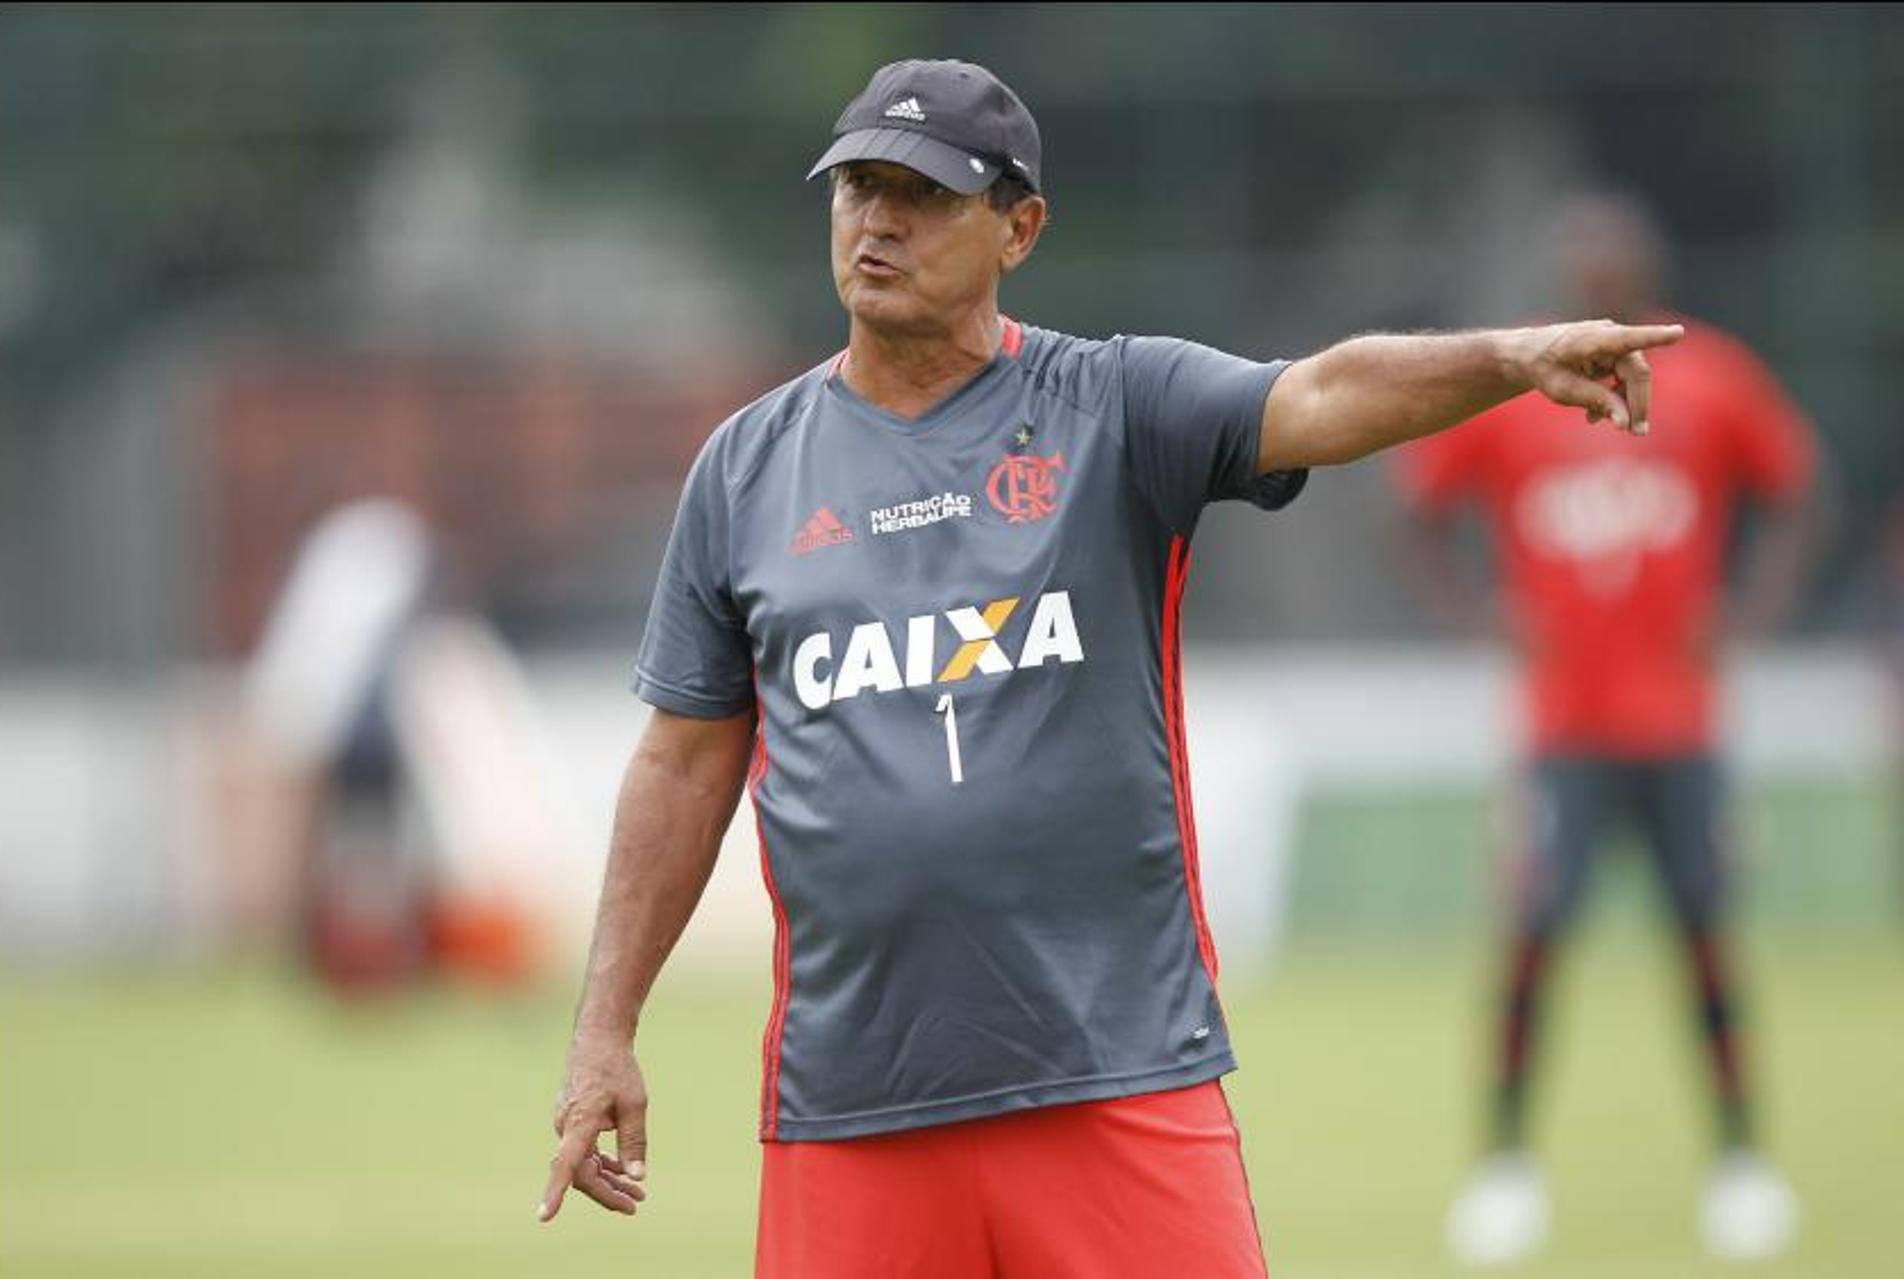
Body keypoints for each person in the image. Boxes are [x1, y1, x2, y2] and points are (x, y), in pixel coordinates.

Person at [537, 61, 1684, 1277]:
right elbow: (678, 762)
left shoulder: (1115, 404)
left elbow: (1321, 394)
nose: (878, 221)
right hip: (853, 1105)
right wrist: (603, 1029)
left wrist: (1510, 356)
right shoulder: (743, 470)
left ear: (1019, 229)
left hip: (1117, 1079)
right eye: (858, 187)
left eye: (922, 194)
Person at [1397, 192, 1818, 1265]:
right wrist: (1482, 621)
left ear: (1643, 276)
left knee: (1706, 944)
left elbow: (1803, 489)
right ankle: (1504, 1167)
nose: (1595, 281)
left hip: (1680, 729)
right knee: (1534, 949)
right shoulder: (1518, 391)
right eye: (1579, 268)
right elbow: (1417, 507)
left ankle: (1740, 1163)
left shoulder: (1715, 379)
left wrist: (1750, 612)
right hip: (1562, 734)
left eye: (1611, 266)